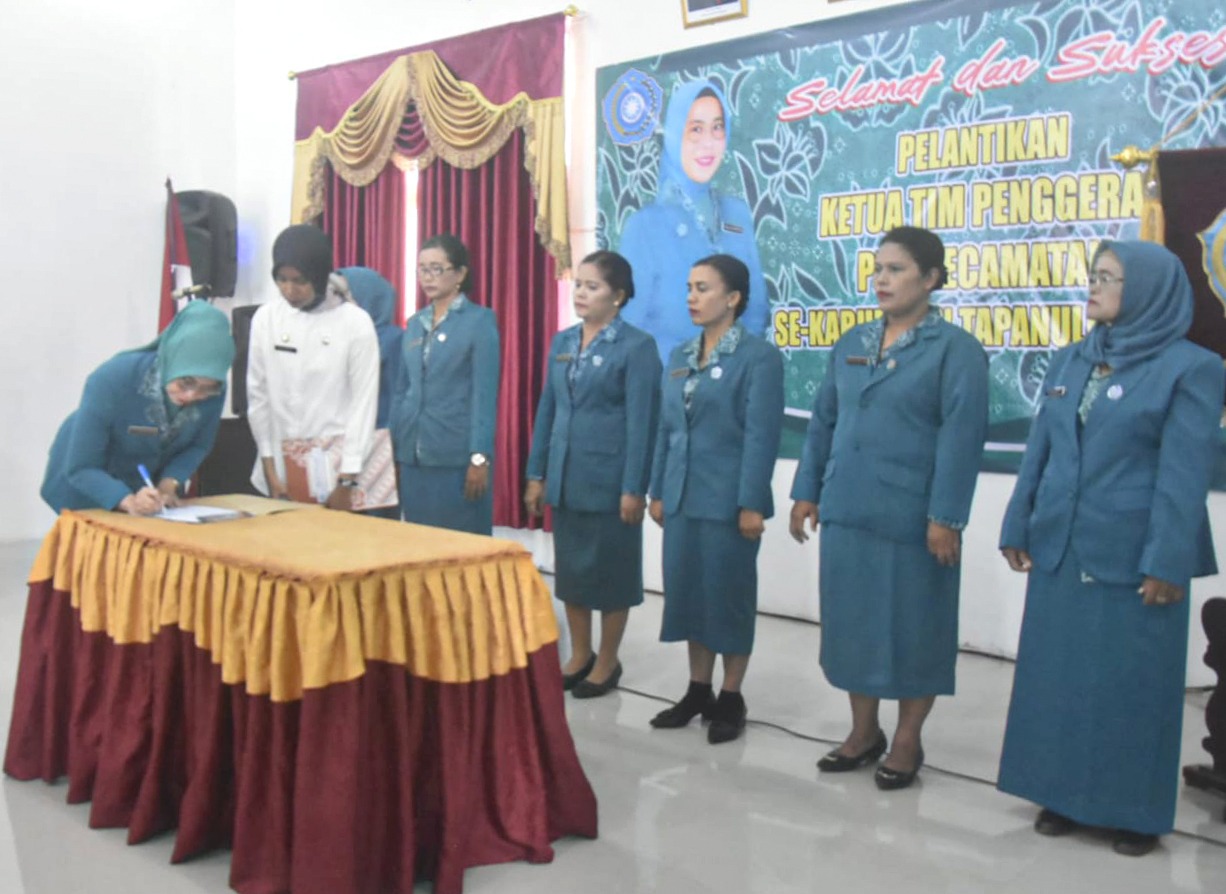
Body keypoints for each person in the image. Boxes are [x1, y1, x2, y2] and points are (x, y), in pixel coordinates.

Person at [997, 240, 1224, 856]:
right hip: (1062, 548)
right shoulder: (1074, 359)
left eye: (1109, 278)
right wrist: (1018, 523)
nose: (1093, 286)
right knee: (1059, 680)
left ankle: (1133, 813)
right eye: (1094, 275)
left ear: (1147, 291)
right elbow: (1040, 450)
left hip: (1134, 556)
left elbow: (1183, 476)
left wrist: (1167, 559)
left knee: (1131, 687)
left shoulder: (1192, 368)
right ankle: (1060, 795)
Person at [789, 226, 988, 790]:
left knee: (914, 629)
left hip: (914, 520)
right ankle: (862, 732)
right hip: (849, 509)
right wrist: (808, 491)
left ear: (930, 279)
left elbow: (961, 441)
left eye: (896, 269)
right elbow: (825, 421)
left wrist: (946, 518)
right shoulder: (851, 343)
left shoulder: (956, 351)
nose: (882, 279)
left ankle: (906, 740)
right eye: (878, 268)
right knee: (853, 625)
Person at [647, 254, 783, 744]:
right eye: (689, 287)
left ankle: (731, 695)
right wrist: (658, 489)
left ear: (733, 298)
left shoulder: (757, 358)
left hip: (728, 503)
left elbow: (761, 437)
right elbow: (667, 430)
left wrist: (750, 502)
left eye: (703, 288)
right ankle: (697, 689)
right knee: (689, 596)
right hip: (682, 497)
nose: (691, 297)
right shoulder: (681, 355)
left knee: (727, 599)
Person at [524, 251, 662, 698]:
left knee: (612, 574)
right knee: (573, 573)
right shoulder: (563, 342)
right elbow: (548, 407)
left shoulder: (637, 347)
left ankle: (608, 659)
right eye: (578, 284)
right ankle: (580, 653)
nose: (581, 293)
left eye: (593, 286)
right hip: (565, 477)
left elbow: (643, 423)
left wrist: (633, 488)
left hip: (610, 482)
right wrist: (536, 472)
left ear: (618, 296)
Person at [619, 78, 768, 366]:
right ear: (675, 134)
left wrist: (731, 365)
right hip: (668, 389)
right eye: (695, 130)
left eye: (717, 128)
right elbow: (632, 329)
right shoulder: (646, 226)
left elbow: (758, 306)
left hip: (732, 382)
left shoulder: (736, 213)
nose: (708, 143)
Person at [41, 300, 235, 515]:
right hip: (85, 483)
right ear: (171, 358)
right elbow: (82, 467)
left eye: (204, 389)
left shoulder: (213, 390)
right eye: (185, 382)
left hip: (142, 484)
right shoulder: (113, 377)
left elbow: (198, 445)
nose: (192, 396)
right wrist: (127, 500)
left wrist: (168, 485)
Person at [246, 224, 380, 510]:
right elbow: (258, 398)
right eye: (281, 279)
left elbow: (363, 405)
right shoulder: (265, 319)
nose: (289, 290)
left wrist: (347, 480)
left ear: (319, 277)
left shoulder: (355, 323)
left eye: (299, 280)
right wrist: (270, 469)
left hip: (338, 471)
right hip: (278, 472)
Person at [392, 234, 500, 534]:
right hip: (413, 456)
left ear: (460, 273)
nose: (427, 276)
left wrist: (479, 457)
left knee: (460, 552)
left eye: (437, 268)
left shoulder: (479, 321)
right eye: (422, 269)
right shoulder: (415, 323)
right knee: (419, 546)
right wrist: (395, 447)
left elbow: (484, 395)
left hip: (455, 457)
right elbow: (403, 390)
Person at [341, 266, 404, 519]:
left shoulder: (394, 340)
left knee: (375, 535)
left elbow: (399, 398)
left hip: (379, 446)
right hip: (340, 443)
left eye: (346, 297)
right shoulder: (338, 337)